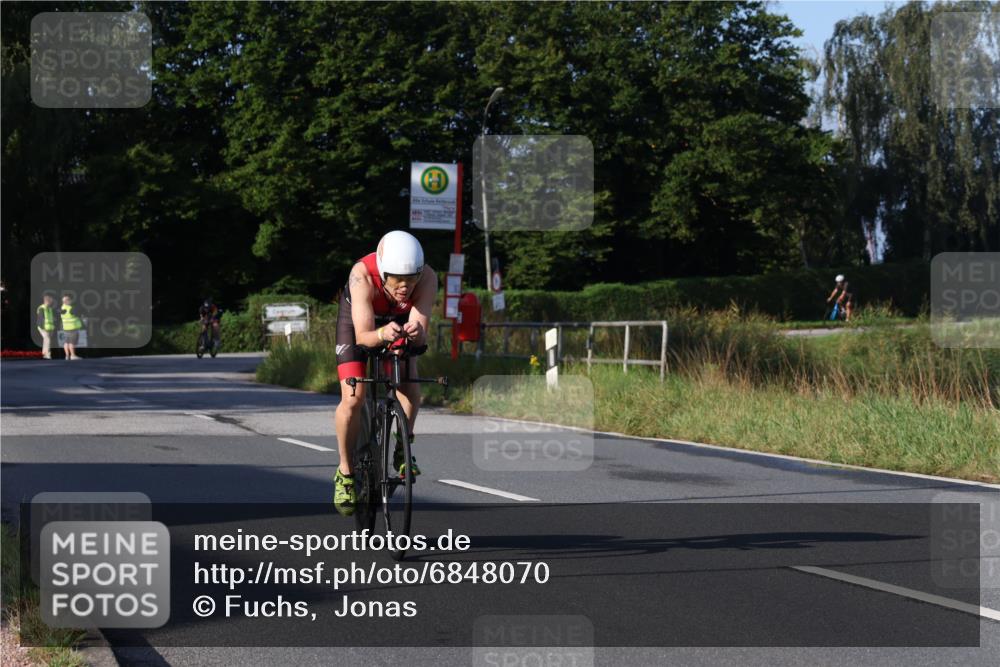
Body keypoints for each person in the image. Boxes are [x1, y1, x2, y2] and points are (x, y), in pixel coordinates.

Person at [333, 230, 437, 516]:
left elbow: (420, 333)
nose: (405, 287)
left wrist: (415, 334)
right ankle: (345, 471)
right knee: (354, 397)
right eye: (397, 280)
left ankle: (403, 446)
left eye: (411, 279)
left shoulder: (427, 277)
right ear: (382, 271)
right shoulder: (361, 275)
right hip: (360, 323)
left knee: (409, 382)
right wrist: (381, 332)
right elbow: (364, 337)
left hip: (397, 321)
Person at [60, 295, 84, 360]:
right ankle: (73, 355)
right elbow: (78, 315)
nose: (70, 301)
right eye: (69, 300)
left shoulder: (62, 308)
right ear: (68, 300)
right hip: (72, 327)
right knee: (72, 342)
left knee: (66, 342)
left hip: (65, 327)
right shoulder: (71, 308)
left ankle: (67, 356)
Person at [36, 294, 56, 359]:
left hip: (49, 327)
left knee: (46, 340)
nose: (52, 301)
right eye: (51, 300)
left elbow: (50, 318)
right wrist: (43, 327)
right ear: (47, 300)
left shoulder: (49, 308)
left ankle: (44, 354)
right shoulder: (41, 308)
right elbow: (40, 319)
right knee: (47, 340)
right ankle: (47, 355)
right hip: (44, 327)